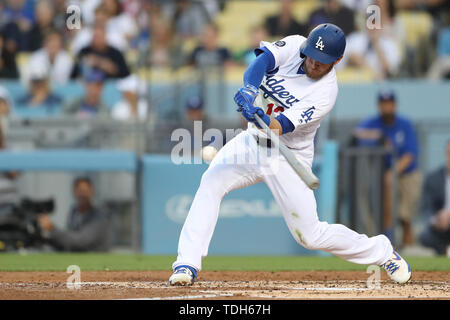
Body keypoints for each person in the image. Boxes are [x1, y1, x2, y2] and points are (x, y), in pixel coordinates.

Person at [169, 23, 411, 286]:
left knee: (310, 236)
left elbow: (280, 127)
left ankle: (383, 251)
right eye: (312, 57)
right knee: (211, 181)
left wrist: (263, 117)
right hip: (251, 142)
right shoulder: (297, 45)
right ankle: (187, 263)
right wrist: (250, 89)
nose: (314, 64)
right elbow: (261, 62)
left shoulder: (325, 93)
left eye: (322, 62)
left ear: (337, 61)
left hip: (289, 156)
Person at [354, 89, 422, 248]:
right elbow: (357, 134)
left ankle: (403, 235)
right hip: (379, 173)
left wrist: (393, 172)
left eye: (389, 103)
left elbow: (410, 154)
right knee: (373, 188)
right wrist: (378, 136)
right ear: (379, 105)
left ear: (394, 105)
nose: (386, 107)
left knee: (406, 214)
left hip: (406, 173)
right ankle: (385, 235)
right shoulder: (374, 123)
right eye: (383, 104)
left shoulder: (404, 124)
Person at [37, 176, 111, 252]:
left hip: (96, 261)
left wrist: (52, 229)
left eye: (86, 191)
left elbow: (80, 241)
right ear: (74, 191)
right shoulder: (74, 212)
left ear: (92, 191)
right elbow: (68, 240)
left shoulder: (98, 218)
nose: (83, 194)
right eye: (80, 191)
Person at [418, 140, 450, 255]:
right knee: (425, 236)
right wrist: (436, 219)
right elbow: (426, 207)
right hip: (441, 226)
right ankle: (445, 251)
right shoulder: (433, 178)